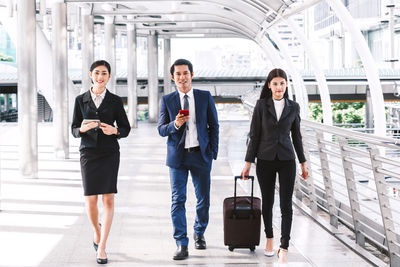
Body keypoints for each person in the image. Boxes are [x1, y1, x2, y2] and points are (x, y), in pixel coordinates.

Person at [241, 68, 308, 264]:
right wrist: (248, 162)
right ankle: (269, 238)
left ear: (286, 85)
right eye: (275, 83)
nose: (279, 87)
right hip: (265, 159)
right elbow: (254, 136)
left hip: (287, 160)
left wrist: (303, 163)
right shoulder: (261, 106)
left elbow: (297, 136)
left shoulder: (294, 107)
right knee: (268, 201)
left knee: (286, 204)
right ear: (269, 85)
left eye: (282, 83)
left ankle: (284, 246)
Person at [158, 59, 219, 260]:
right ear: (172, 77)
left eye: (185, 73)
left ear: (192, 75)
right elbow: (161, 129)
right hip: (178, 157)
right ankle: (181, 243)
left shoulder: (204, 97)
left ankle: (199, 232)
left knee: (203, 199)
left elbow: (214, 125)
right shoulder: (167, 100)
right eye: (178, 74)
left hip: (201, 155)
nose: (182, 77)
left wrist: (212, 152)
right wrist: (174, 124)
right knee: (178, 200)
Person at [71, 60, 130, 264]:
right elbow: (74, 129)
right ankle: (97, 230)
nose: (100, 77)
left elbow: (125, 127)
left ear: (109, 77)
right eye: (97, 73)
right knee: (90, 199)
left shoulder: (115, 101)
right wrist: (83, 130)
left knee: (108, 199)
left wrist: (115, 131)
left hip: (109, 153)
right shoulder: (81, 100)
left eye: (104, 73)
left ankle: (102, 247)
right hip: (88, 153)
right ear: (90, 75)